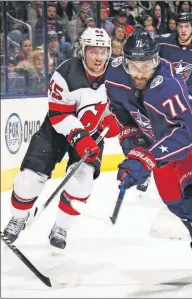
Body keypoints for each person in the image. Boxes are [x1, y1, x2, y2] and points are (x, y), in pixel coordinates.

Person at [105, 29, 192, 289]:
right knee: (179, 207)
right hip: (158, 146)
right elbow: (122, 113)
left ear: (157, 60)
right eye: (134, 66)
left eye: (147, 65)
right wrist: (133, 147)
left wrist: (146, 160)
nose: (141, 73)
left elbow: (184, 134)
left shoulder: (169, 85)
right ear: (125, 62)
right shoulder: (115, 77)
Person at [3, 28, 120, 249]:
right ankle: (18, 217)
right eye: (93, 51)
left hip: (92, 133)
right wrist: (80, 137)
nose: (98, 57)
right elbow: (59, 115)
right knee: (28, 180)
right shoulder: (65, 74)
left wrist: (118, 121)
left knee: (82, 183)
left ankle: (61, 227)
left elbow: (127, 108)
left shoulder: (118, 75)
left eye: (103, 51)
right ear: (82, 51)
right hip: (56, 131)